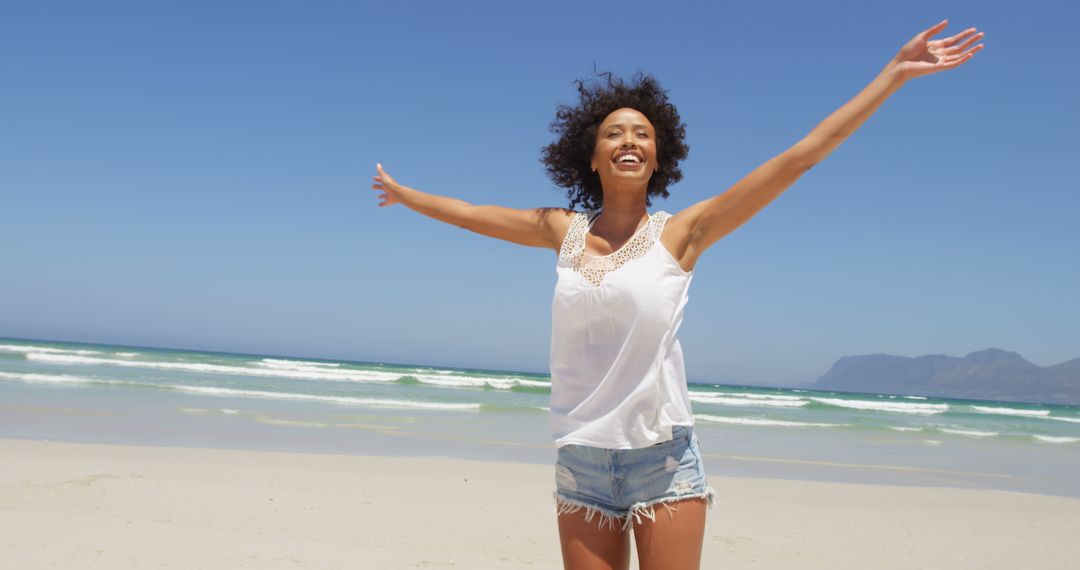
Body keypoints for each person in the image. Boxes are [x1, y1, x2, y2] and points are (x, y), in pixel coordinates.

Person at [372, 19, 983, 570]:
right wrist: (405, 196)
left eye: (641, 133)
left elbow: (800, 158)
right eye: (614, 134)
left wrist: (893, 76)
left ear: (658, 155)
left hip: (661, 460)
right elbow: (471, 213)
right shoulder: (562, 230)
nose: (629, 141)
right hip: (580, 456)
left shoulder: (684, 233)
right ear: (592, 157)